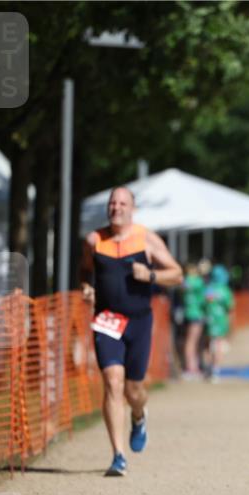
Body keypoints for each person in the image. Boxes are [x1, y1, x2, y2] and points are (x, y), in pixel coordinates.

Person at [80, 186, 183, 476]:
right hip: (107, 320)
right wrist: (87, 288)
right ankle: (118, 456)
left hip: (139, 321)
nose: (116, 207)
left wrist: (150, 275)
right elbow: (85, 271)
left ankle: (139, 416)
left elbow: (177, 273)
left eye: (122, 203)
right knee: (112, 381)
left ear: (132, 208)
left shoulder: (147, 239)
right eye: (112, 203)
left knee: (133, 389)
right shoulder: (93, 240)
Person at [204, 264, 235, 381]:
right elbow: (230, 308)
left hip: (208, 320)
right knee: (218, 344)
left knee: (207, 344)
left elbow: (203, 304)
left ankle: (208, 367)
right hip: (221, 321)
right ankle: (216, 370)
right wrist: (231, 326)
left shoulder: (208, 289)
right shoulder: (225, 291)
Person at [181, 261, 209, 380]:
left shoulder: (186, 281)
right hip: (196, 314)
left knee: (191, 341)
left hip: (188, 313)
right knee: (193, 342)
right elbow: (205, 299)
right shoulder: (198, 282)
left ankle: (192, 366)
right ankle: (191, 368)